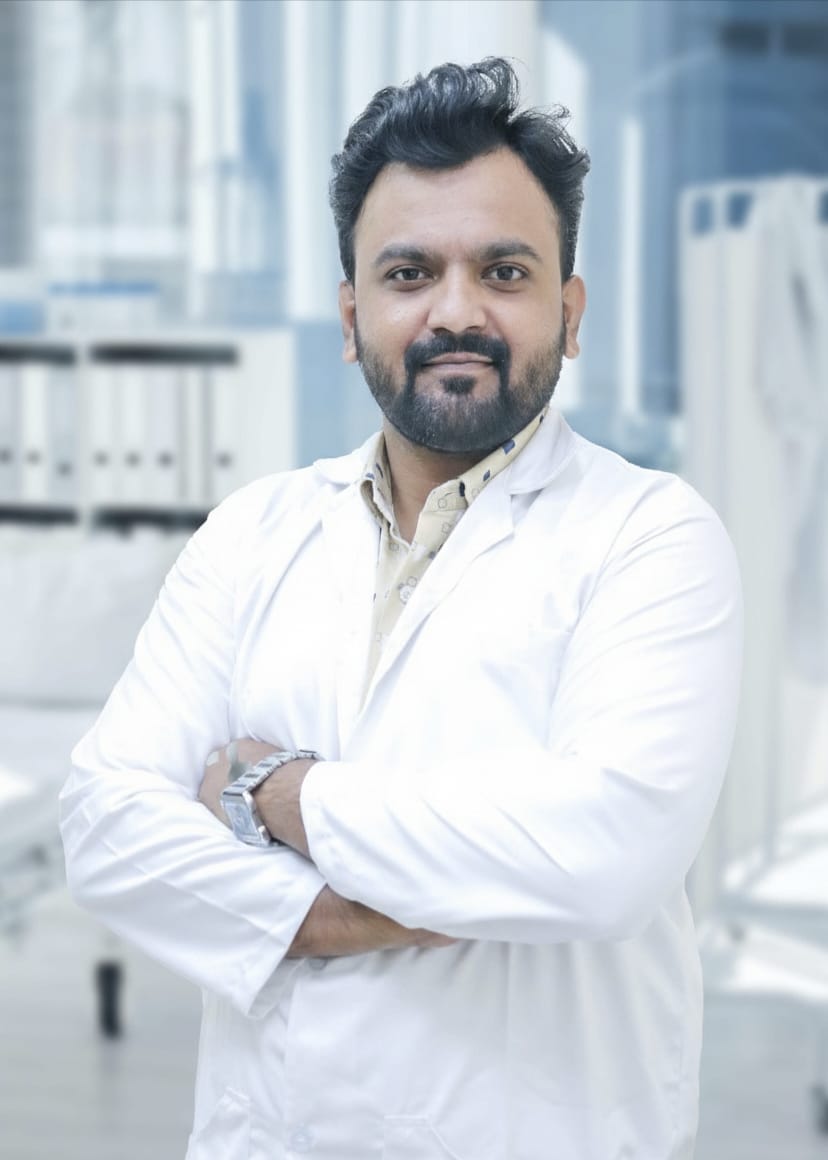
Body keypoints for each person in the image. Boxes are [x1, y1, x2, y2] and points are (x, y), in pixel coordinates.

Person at [60, 58, 742, 1160]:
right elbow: (106, 824)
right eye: (410, 272)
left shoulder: (652, 538)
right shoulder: (252, 534)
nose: (456, 311)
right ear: (351, 315)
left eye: (505, 271)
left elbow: (604, 852)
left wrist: (274, 793)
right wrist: (352, 915)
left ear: (569, 313)